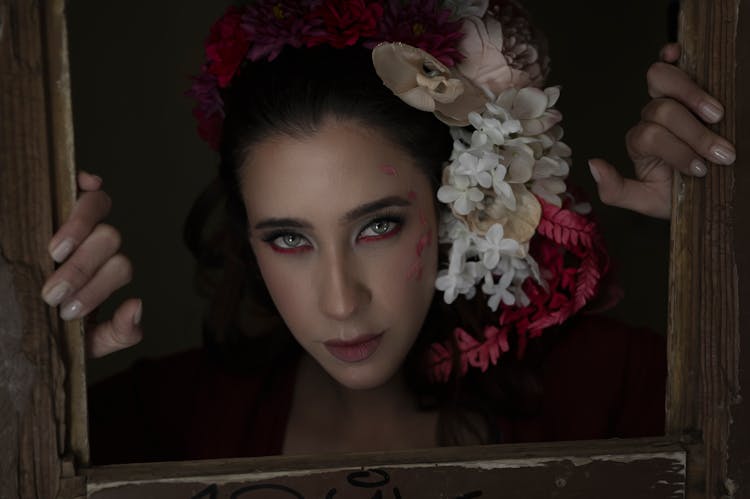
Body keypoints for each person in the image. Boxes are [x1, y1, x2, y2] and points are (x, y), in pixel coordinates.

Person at [41, 0, 735, 462]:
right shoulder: (152, 424)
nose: (341, 302)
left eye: (377, 224)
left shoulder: (616, 392)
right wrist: (30, 374)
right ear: (244, 237)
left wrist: (728, 245)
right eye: (288, 237)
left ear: (451, 206)